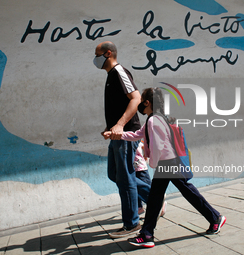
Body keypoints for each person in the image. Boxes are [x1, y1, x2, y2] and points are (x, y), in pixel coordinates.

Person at [105, 87, 226, 248]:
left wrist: (152, 162)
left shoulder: (155, 120)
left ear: (147, 102)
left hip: (168, 163)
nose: (139, 103)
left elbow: (158, 145)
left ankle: (214, 218)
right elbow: (137, 135)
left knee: (177, 193)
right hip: (168, 162)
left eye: (141, 100)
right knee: (162, 197)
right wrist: (117, 134)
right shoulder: (153, 118)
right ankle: (147, 234)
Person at [94, 41, 148, 238]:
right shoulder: (111, 76)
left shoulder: (119, 71)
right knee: (115, 174)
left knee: (124, 178)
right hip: (116, 133)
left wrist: (119, 125)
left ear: (108, 54)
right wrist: (110, 127)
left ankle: (132, 224)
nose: (95, 59)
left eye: (97, 54)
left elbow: (136, 98)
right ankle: (154, 197)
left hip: (125, 134)